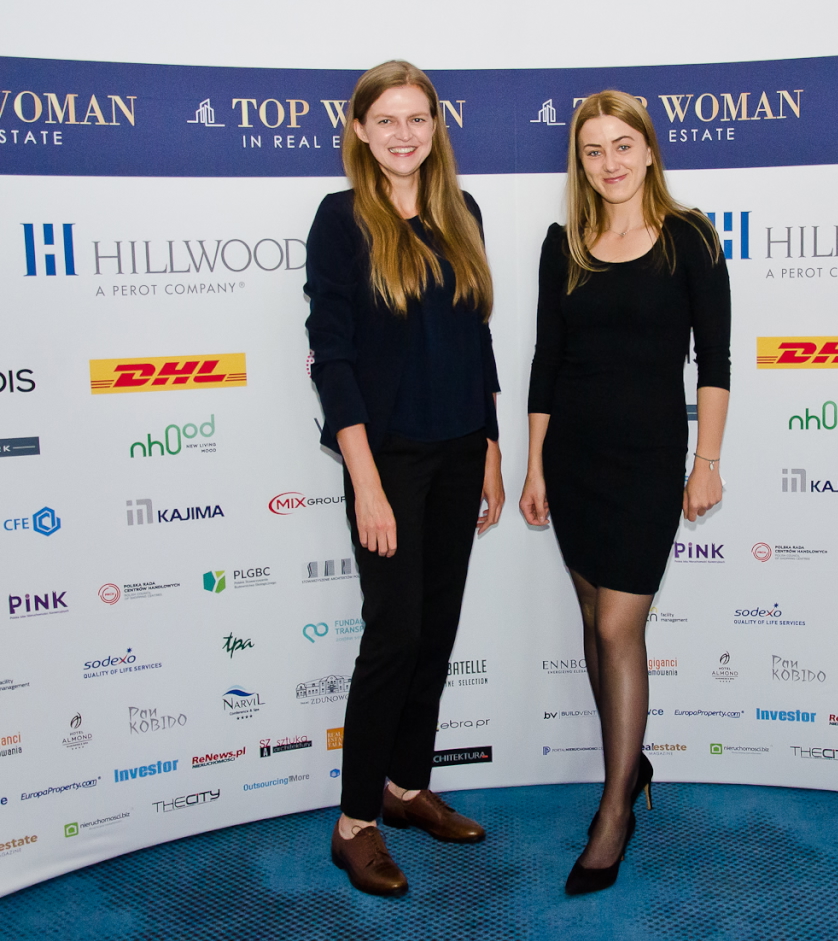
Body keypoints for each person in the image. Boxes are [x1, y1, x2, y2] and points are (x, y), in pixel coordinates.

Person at [519, 90, 730, 895]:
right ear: (579, 162)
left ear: (647, 150)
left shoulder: (689, 238)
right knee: (590, 617)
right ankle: (627, 763)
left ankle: (614, 811)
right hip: (573, 458)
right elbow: (546, 361)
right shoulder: (563, 245)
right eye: (592, 150)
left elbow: (714, 360)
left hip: (646, 461)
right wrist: (534, 465)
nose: (608, 162)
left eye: (621, 145)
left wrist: (706, 462)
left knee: (617, 626)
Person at [305, 60, 504, 897]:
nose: (402, 134)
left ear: (435, 127)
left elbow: (474, 337)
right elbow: (332, 357)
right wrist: (366, 481)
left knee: (436, 630)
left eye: (416, 118)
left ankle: (407, 785)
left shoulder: (462, 210)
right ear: (358, 129)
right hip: (386, 460)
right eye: (385, 119)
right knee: (392, 638)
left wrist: (491, 447)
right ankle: (355, 823)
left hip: (460, 451)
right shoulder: (340, 219)